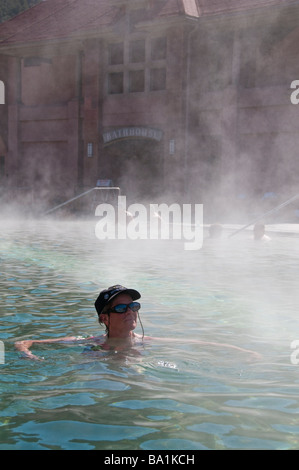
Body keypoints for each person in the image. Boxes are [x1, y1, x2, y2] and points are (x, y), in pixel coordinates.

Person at [15, 284, 261, 361]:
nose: (130, 311)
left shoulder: (146, 342)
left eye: (133, 306)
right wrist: (30, 355)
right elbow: (25, 341)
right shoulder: (89, 343)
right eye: (121, 308)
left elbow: (199, 343)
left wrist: (243, 351)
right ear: (104, 318)